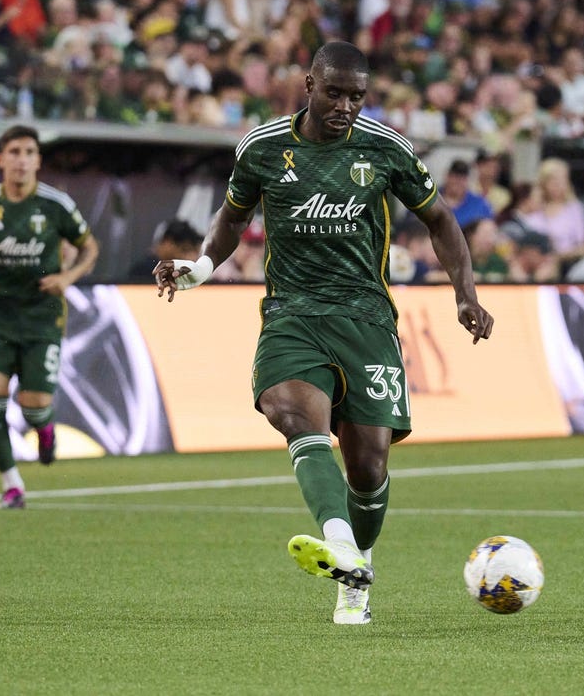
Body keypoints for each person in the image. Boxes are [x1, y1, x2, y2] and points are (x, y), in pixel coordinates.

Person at [152, 41, 493, 625]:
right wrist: (200, 268)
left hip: (366, 318)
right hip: (292, 314)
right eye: (334, 93)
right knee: (290, 410)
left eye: (356, 96)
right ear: (308, 84)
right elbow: (233, 217)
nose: (345, 106)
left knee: (369, 466)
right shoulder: (263, 149)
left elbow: (439, 219)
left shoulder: (386, 149)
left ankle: (356, 572)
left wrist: (465, 293)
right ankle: (338, 543)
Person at [0, 124, 100, 509]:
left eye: (29, 152)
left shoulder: (56, 205)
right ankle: (11, 484)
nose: (22, 160)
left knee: (33, 405)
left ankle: (44, 428)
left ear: (38, 160)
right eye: (14, 152)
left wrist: (67, 277)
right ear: (1, 159)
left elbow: (89, 248)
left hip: (42, 316)